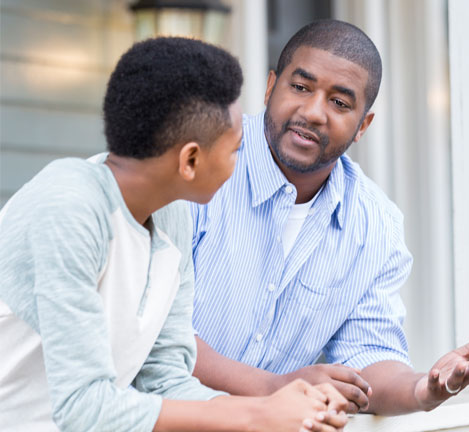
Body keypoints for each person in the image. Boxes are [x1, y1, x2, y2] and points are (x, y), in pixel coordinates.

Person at [0, 37, 347, 432]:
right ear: (191, 160)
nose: (241, 161)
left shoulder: (172, 215)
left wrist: (290, 413)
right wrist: (255, 414)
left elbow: (163, 378)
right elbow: (83, 407)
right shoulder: (68, 206)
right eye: (236, 149)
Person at [190, 20, 469, 415]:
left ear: (363, 126)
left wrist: (423, 390)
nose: (314, 112)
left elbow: (368, 355)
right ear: (271, 87)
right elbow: (155, 330)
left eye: (340, 103)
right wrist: (274, 388)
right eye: (300, 87)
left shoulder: (376, 226)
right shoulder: (198, 164)